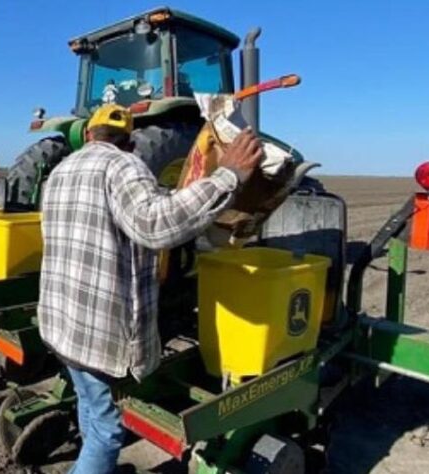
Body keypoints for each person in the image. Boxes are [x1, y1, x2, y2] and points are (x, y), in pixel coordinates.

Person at [37, 104, 263, 474]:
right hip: (100, 335)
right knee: (108, 431)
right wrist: (228, 177)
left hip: (61, 325)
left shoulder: (60, 171)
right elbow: (156, 225)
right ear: (129, 142)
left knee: (90, 402)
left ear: (88, 135)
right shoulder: (123, 166)